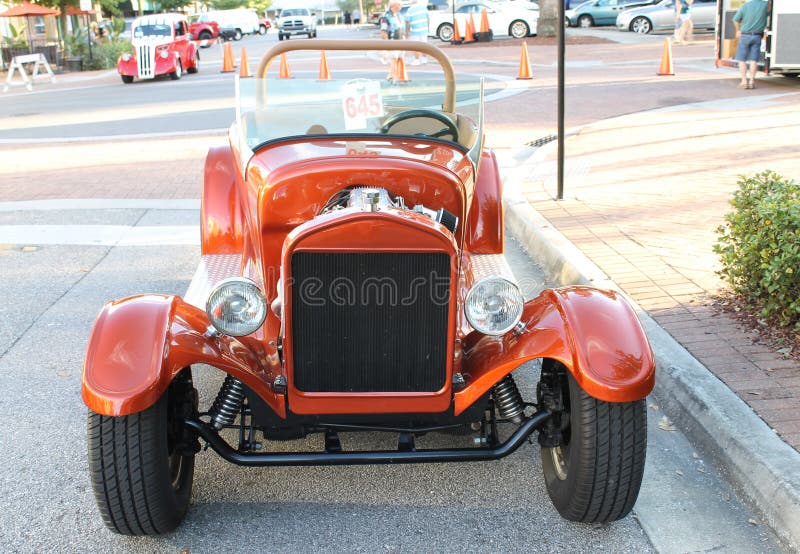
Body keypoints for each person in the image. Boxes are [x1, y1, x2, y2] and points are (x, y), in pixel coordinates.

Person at [733, 0, 768, 89]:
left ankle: (744, 81)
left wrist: (738, 30)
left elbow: (736, 19)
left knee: (742, 60)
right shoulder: (765, 5)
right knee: (754, 60)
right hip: (757, 36)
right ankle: (752, 81)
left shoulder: (746, 5)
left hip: (745, 35)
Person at [405, 0, 429, 65]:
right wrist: (427, 27)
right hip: (424, 29)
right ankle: (424, 59)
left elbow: (407, 22)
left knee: (415, 46)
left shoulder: (410, 10)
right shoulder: (424, 8)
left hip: (414, 30)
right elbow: (428, 18)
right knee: (424, 45)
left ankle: (417, 60)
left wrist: (407, 32)